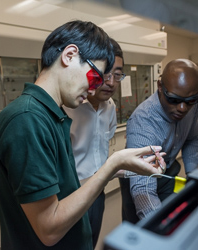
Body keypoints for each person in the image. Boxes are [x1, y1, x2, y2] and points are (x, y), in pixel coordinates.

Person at [0, 20, 165, 250]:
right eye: (95, 77)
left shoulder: (53, 115)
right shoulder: (27, 119)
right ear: (70, 55)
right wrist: (112, 163)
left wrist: (120, 168)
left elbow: (66, 192)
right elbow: (49, 229)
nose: (94, 89)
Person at [64, 38, 125, 248]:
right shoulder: (67, 108)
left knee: (91, 242)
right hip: (68, 198)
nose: (110, 82)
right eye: (105, 73)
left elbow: (103, 148)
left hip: (98, 193)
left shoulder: (110, 107)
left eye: (117, 75)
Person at [124, 59, 198, 221]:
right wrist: (159, 227)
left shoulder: (192, 103)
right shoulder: (143, 121)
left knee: (171, 213)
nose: (182, 108)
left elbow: (193, 138)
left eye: (190, 101)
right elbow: (142, 187)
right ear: (160, 86)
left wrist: (192, 174)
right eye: (174, 99)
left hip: (168, 171)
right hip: (139, 178)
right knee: (140, 226)